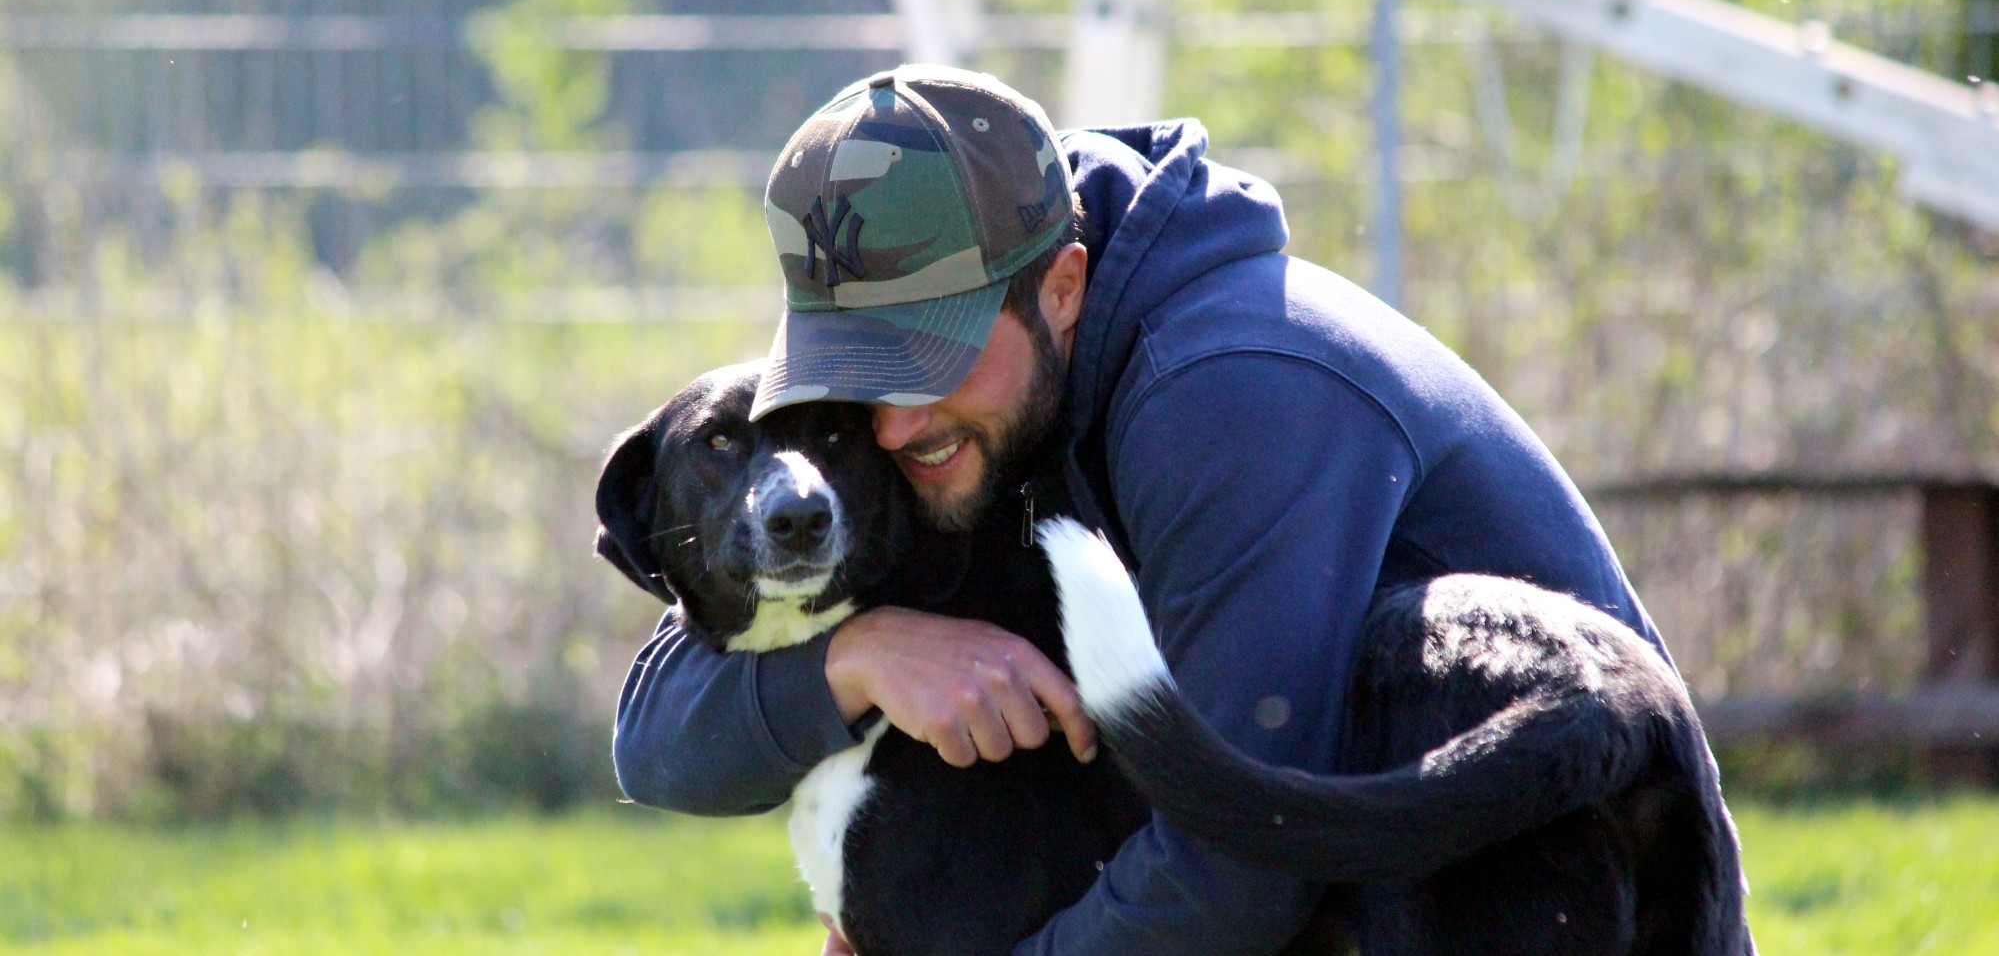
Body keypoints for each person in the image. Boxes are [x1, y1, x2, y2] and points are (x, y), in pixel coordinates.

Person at [612, 64, 1683, 955]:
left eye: (928, 356)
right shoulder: (982, 409)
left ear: (1064, 287)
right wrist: (857, 657)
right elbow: (657, 735)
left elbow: (1234, 869)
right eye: (859, 376)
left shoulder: (1223, 389)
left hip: (1531, 860)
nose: (893, 427)